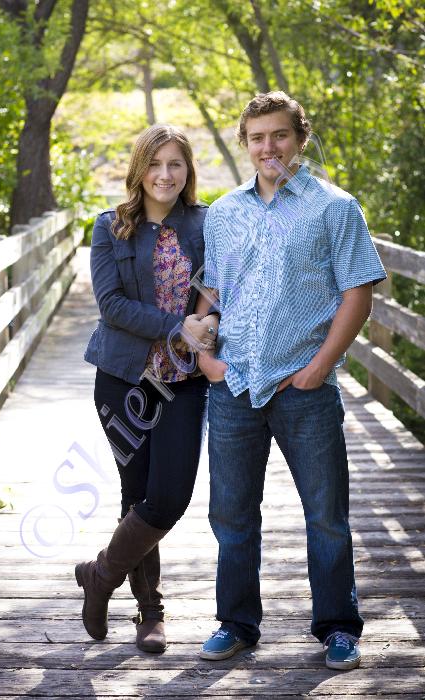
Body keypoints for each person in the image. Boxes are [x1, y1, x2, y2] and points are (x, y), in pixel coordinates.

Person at [197, 91, 386, 670]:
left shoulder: (335, 208)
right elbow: (212, 293)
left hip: (305, 389)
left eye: (279, 135)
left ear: (300, 139)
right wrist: (206, 358)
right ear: (245, 144)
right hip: (233, 388)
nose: (268, 147)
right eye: (257, 137)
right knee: (231, 515)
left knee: (326, 516)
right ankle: (236, 624)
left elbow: (358, 291)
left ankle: (338, 627)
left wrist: (321, 366)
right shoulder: (224, 212)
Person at [77, 124, 218, 654]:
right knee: (135, 494)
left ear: (188, 171)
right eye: (155, 164)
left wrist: (206, 324)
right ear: (139, 170)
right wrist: (177, 327)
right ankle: (149, 611)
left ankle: (100, 575)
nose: (165, 174)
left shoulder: (206, 223)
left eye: (175, 163)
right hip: (124, 379)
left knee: (169, 497)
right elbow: (111, 305)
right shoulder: (110, 227)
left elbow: (219, 285)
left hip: (182, 380)